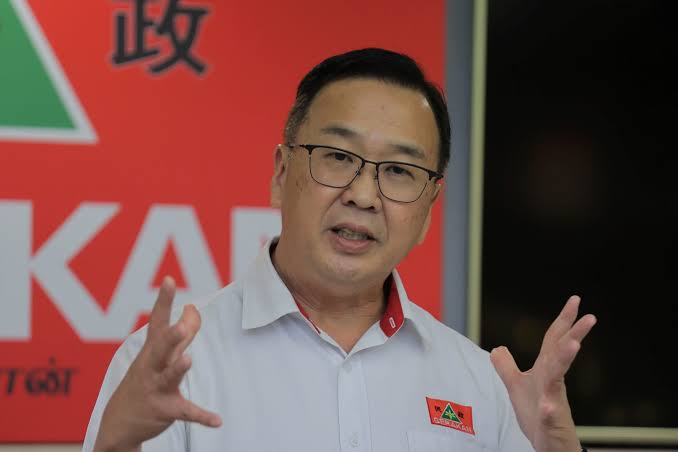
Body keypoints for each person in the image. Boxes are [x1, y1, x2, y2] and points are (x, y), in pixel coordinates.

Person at [83, 48, 596, 452]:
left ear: (428, 209)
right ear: (281, 174)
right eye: (338, 156)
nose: (364, 195)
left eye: (399, 170)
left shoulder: (479, 382)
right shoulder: (173, 368)